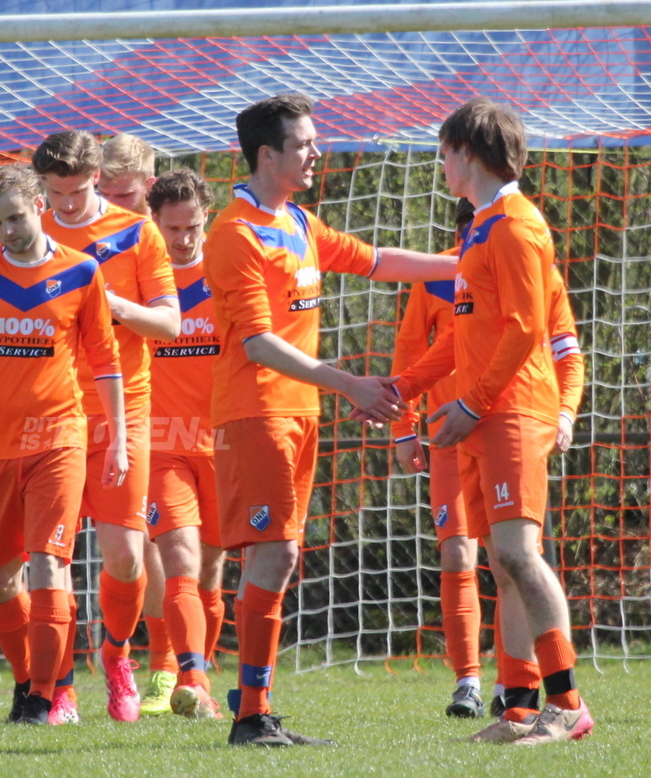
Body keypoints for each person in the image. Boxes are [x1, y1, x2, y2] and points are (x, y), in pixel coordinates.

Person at [203, 92, 457, 746]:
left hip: (298, 411)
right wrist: (351, 385)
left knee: (279, 556)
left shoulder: (298, 221)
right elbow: (257, 343)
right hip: (256, 412)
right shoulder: (234, 233)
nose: (318, 152)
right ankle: (250, 715)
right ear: (268, 155)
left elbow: (377, 261)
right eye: (305, 144)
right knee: (275, 553)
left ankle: (254, 710)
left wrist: (469, 264)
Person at [394, 97, 594, 745]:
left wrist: (473, 403)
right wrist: (403, 388)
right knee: (502, 566)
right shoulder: (480, 229)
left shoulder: (515, 225)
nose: (440, 164)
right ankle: (517, 707)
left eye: (444, 152)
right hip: (484, 416)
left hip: (511, 411)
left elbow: (527, 327)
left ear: (469, 153)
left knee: (515, 553)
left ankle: (567, 704)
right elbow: (461, 336)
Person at [0, 164, 127, 725]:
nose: (7, 231)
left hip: (59, 438)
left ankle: (45, 695)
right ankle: (27, 681)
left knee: (48, 564)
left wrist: (118, 438)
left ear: (40, 205)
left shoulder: (81, 271)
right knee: (0, 581)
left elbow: (105, 358)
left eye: (15, 217)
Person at [32, 130, 180, 723]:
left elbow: (169, 324)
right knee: (53, 557)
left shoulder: (138, 233)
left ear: (97, 178)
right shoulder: (33, 231)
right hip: (54, 415)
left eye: (78, 192)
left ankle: (117, 656)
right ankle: (60, 686)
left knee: (124, 556)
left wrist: (113, 306)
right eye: (56, 194)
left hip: (126, 412)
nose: (67, 205)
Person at [100, 131, 182, 716]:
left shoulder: (164, 238)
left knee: (183, 547)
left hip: (177, 407)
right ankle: (154, 665)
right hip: (112, 405)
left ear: (148, 189)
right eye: (102, 193)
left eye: (123, 195)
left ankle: (178, 667)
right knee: (141, 539)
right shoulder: (85, 236)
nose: (111, 205)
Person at [144, 168, 227, 719]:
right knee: (179, 559)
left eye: (192, 226)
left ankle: (198, 677)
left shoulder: (227, 274)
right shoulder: (139, 280)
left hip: (225, 443)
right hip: (160, 444)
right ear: (154, 222)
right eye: (172, 228)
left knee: (211, 570)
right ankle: (187, 677)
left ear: (206, 218)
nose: (183, 238)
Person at [99, 133, 157, 216]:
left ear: (149, 185)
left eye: (123, 196)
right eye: (104, 193)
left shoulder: (168, 222)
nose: (110, 205)